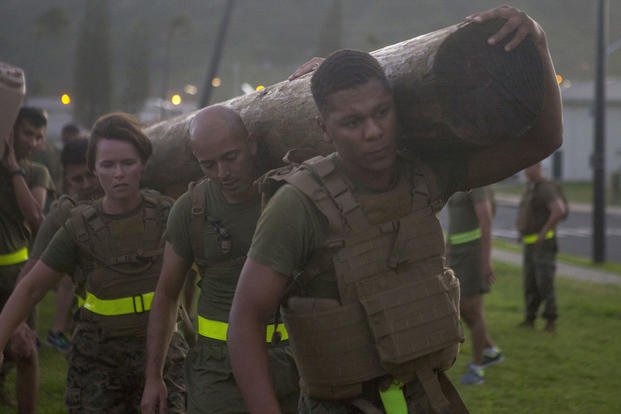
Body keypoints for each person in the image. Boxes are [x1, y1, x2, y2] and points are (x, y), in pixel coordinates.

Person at [227, 6, 562, 413]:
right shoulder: (298, 206)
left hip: (430, 399)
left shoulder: (426, 177)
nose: (373, 132)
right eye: (352, 122)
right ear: (323, 128)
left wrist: (539, 44)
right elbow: (246, 320)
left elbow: (541, 141)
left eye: (381, 113)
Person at [0, 112, 187, 413]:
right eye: (108, 165)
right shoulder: (79, 227)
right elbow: (32, 288)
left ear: (143, 164)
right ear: (94, 168)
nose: (119, 174)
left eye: (128, 163)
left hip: (162, 352)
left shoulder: (170, 216)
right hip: (99, 358)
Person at [141, 105, 299, 414]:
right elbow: (167, 294)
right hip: (218, 369)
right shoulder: (191, 210)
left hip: (292, 357)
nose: (222, 174)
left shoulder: (287, 196)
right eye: (208, 165)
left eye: (231, 158)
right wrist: (153, 377)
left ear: (251, 144)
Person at [12, 138, 102, 355]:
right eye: (77, 179)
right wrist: (16, 322)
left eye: (91, 175)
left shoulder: (135, 202)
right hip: (92, 329)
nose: (86, 185)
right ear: (67, 180)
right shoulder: (63, 214)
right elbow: (31, 273)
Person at [0, 106, 54, 412]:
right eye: (27, 133)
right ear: (10, 129)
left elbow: (35, 217)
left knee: (25, 350)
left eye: (39, 136)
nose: (32, 142)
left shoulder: (36, 172)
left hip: (16, 277)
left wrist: (13, 169)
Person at [446, 187, 503, 385]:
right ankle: (490, 351)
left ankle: (477, 369)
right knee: (462, 308)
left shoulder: (477, 185)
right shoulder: (459, 182)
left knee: (474, 312)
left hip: (472, 256)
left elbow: (486, 220)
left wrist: (486, 262)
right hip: (458, 255)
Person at [516, 162, 567, 333]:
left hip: (543, 245)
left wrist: (543, 233)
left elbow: (559, 210)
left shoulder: (545, 188)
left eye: (529, 167)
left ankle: (550, 321)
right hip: (530, 244)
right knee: (530, 283)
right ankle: (529, 319)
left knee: (544, 282)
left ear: (538, 167)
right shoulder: (531, 188)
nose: (525, 170)